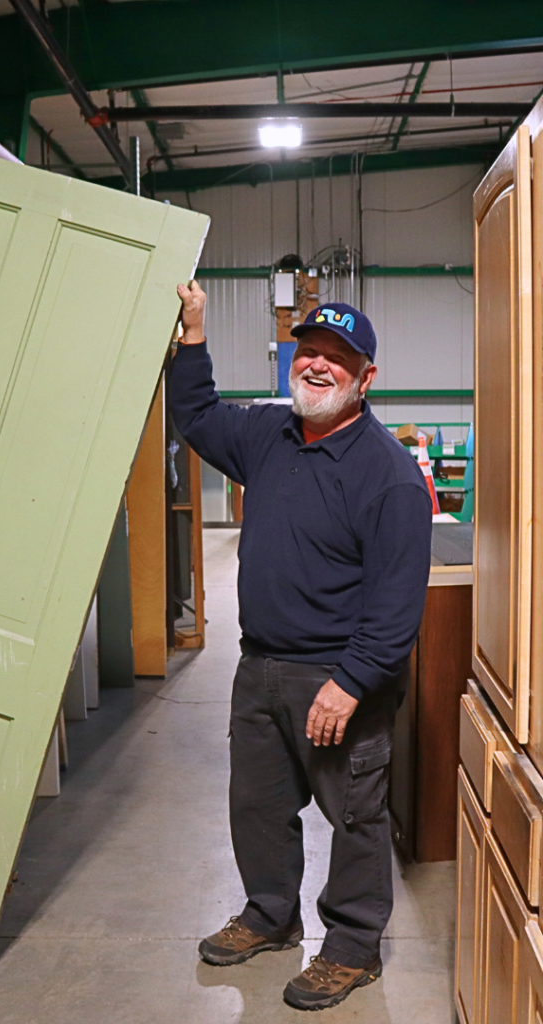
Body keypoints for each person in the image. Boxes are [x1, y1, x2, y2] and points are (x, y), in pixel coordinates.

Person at [170, 281, 432, 1012]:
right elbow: (193, 414)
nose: (318, 366)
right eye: (308, 351)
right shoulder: (268, 434)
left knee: (353, 817)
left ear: (365, 378)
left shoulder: (389, 476)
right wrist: (194, 331)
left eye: (337, 359)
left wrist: (350, 683)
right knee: (256, 805)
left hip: (340, 679)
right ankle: (269, 915)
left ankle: (350, 948)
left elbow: (395, 602)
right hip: (259, 667)